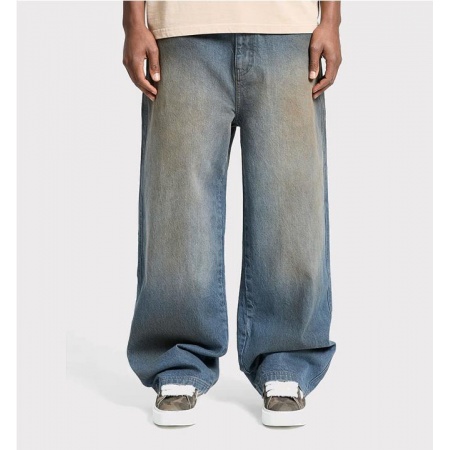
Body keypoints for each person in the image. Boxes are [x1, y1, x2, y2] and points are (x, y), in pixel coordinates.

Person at [123, 0, 342, 427]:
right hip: (181, 31)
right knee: (177, 208)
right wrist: (133, 22)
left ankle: (286, 357)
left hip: (288, 32)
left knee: (292, 207)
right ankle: (178, 359)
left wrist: (331, 19)